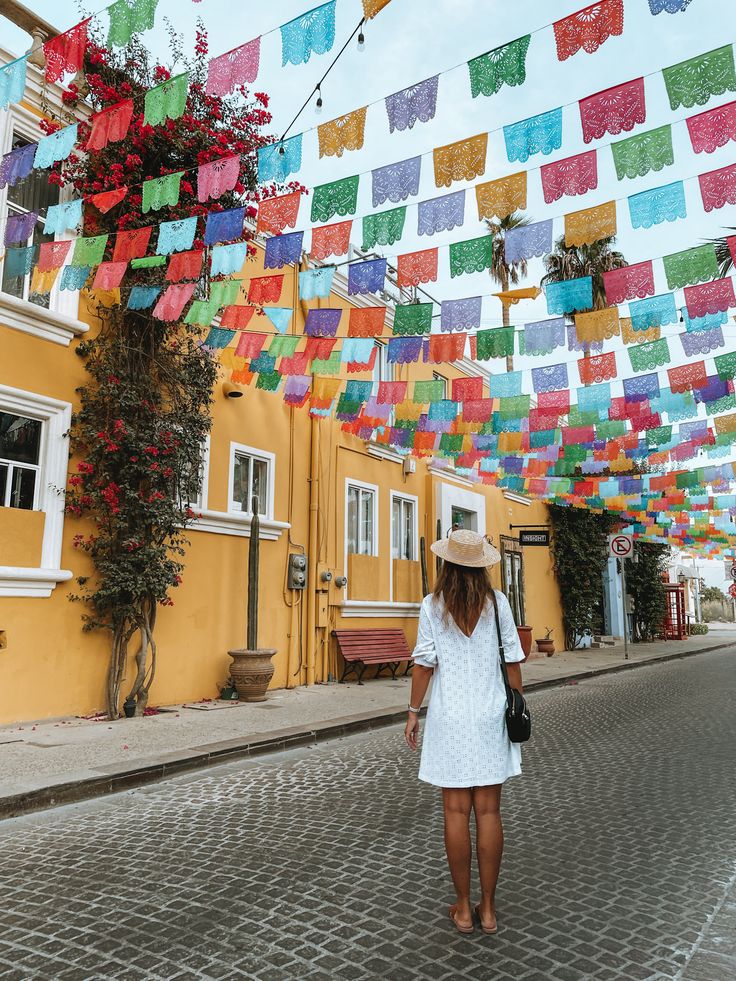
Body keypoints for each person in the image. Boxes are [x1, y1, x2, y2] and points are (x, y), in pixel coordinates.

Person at [404, 529, 525, 935]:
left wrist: (411, 712)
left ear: (447, 564)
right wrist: (516, 705)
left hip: (450, 718)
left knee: (456, 812)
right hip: (491, 715)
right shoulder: (498, 603)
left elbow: (424, 665)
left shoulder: (431, 606)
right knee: (489, 812)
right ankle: (488, 909)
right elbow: (512, 664)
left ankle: (462, 908)